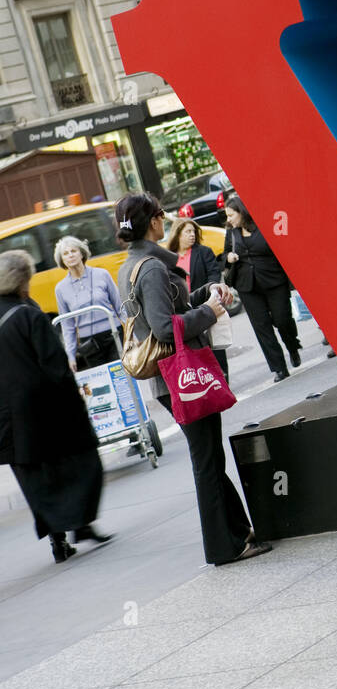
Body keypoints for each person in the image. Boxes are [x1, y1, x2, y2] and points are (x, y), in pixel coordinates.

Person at [115, 192, 270, 567]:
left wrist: (204, 296)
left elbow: (169, 308)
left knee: (211, 457)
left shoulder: (133, 264)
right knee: (206, 460)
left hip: (171, 380)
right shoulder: (151, 267)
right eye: (160, 214)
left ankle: (239, 531)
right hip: (181, 378)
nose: (164, 219)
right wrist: (209, 312)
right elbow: (166, 329)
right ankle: (224, 546)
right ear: (152, 221)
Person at [0, 250, 111, 565]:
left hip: (9, 421)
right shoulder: (29, 314)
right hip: (44, 410)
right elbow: (55, 367)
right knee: (81, 461)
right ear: (23, 280)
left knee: (37, 478)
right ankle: (81, 523)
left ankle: (58, 540)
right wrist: (74, 401)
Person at [222, 196, 301, 382]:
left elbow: (281, 247)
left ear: (241, 212)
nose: (229, 219)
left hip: (274, 280)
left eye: (231, 215)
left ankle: (292, 346)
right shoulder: (231, 233)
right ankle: (278, 367)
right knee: (262, 326)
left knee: (282, 319)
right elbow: (224, 255)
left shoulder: (263, 225)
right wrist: (229, 257)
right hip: (247, 286)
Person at [165, 218, 230, 379]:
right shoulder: (168, 259)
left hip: (206, 304)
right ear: (177, 234)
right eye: (187, 231)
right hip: (184, 310)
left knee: (215, 344)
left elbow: (214, 274)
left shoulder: (204, 252)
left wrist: (209, 292)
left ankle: (223, 377)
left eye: (194, 231)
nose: (192, 235)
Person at [54, 238, 124, 371]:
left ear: (81, 253)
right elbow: (67, 326)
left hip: (114, 335)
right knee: (102, 384)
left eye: (74, 251)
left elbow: (120, 307)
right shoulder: (60, 289)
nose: (70, 255)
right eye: (66, 253)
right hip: (88, 343)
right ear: (62, 260)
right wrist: (71, 355)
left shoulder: (102, 274)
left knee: (121, 376)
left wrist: (134, 336)